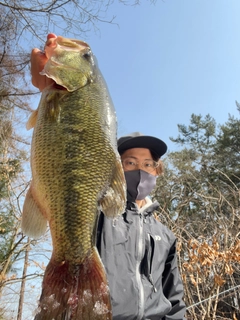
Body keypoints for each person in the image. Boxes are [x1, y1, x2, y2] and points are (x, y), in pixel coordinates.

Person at [30, 34, 186, 320]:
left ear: (157, 171)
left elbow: (174, 299)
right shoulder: (102, 214)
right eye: (129, 162)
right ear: (114, 167)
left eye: (148, 164)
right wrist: (45, 83)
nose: (141, 169)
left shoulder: (165, 236)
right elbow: (73, 201)